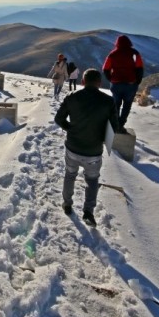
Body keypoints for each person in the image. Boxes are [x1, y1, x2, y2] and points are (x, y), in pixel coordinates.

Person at [54, 68, 119, 227]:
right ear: (99, 83)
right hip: (93, 151)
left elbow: (58, 118)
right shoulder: (108, 101)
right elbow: (114, 127)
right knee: (92, 180)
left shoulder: (72, 97)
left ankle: (67, 204)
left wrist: (70, 128)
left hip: (73, 147)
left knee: (70, 175)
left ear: (82, 82)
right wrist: (102, 138)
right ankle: (88, 211)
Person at [102, 35, 144, 134]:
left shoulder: (113, 54)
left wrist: (111, 79)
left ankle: (115, 125)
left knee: (116, 104)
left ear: (117, 43)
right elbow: (140, 68)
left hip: (116, 84)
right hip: (130, 84)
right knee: (127, 105)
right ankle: (121, 124)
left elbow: (105, 69)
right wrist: (137, 81)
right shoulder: (134, 53)